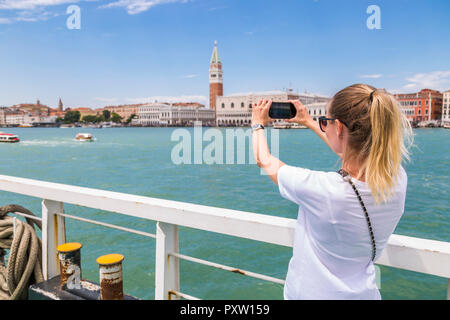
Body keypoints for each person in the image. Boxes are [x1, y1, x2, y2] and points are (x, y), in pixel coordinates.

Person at [250, 84, 413, 300]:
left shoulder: (323, 190)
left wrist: (257, 125)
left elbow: (264, 160)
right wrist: (309, 121)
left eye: (325, 122)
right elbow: (353, 150)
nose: (323, 126)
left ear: (339, 128)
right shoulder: (397, 179)